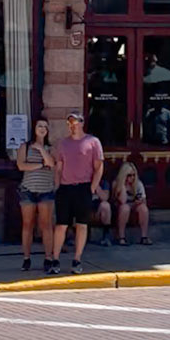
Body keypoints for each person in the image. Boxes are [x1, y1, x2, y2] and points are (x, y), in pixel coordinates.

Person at [50, 111, 105, 273]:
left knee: (82, 224)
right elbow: (59, 167)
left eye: (76, 122)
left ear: (82, 123)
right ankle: (55, 259)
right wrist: (57, 185)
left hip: (83, 187)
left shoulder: (93, 142)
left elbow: (98, 166)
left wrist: (92, 187)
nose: (73, 126)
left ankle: (77, 259)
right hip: (65, 188)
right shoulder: (63, 143)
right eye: (70, 123)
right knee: (61, 225)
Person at [12, 117, 57, 272]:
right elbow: (21, 165)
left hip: (46, 190)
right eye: (39, 125)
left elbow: (52, 163)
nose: (42, 128)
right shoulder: (25, 146)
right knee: (27, 224)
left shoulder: (51, 148)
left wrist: (42, 149)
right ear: (34, 128)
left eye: (45, 126)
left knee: (46, 225)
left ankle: (48, 257)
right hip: (28, 189)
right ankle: (26, 258)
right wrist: (40, 165)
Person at [111, 159, 152, 246]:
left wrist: (139, 202)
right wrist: (123, 186)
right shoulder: (117, 184)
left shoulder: (138, 184)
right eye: (129, 175)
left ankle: (144, 237)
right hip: (120, 209)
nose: (132, 178)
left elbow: (144, 200)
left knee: (143, 209)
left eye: (134, 175)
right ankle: (121, 237)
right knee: (125, 208)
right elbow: (122, 201)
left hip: (134, 206)